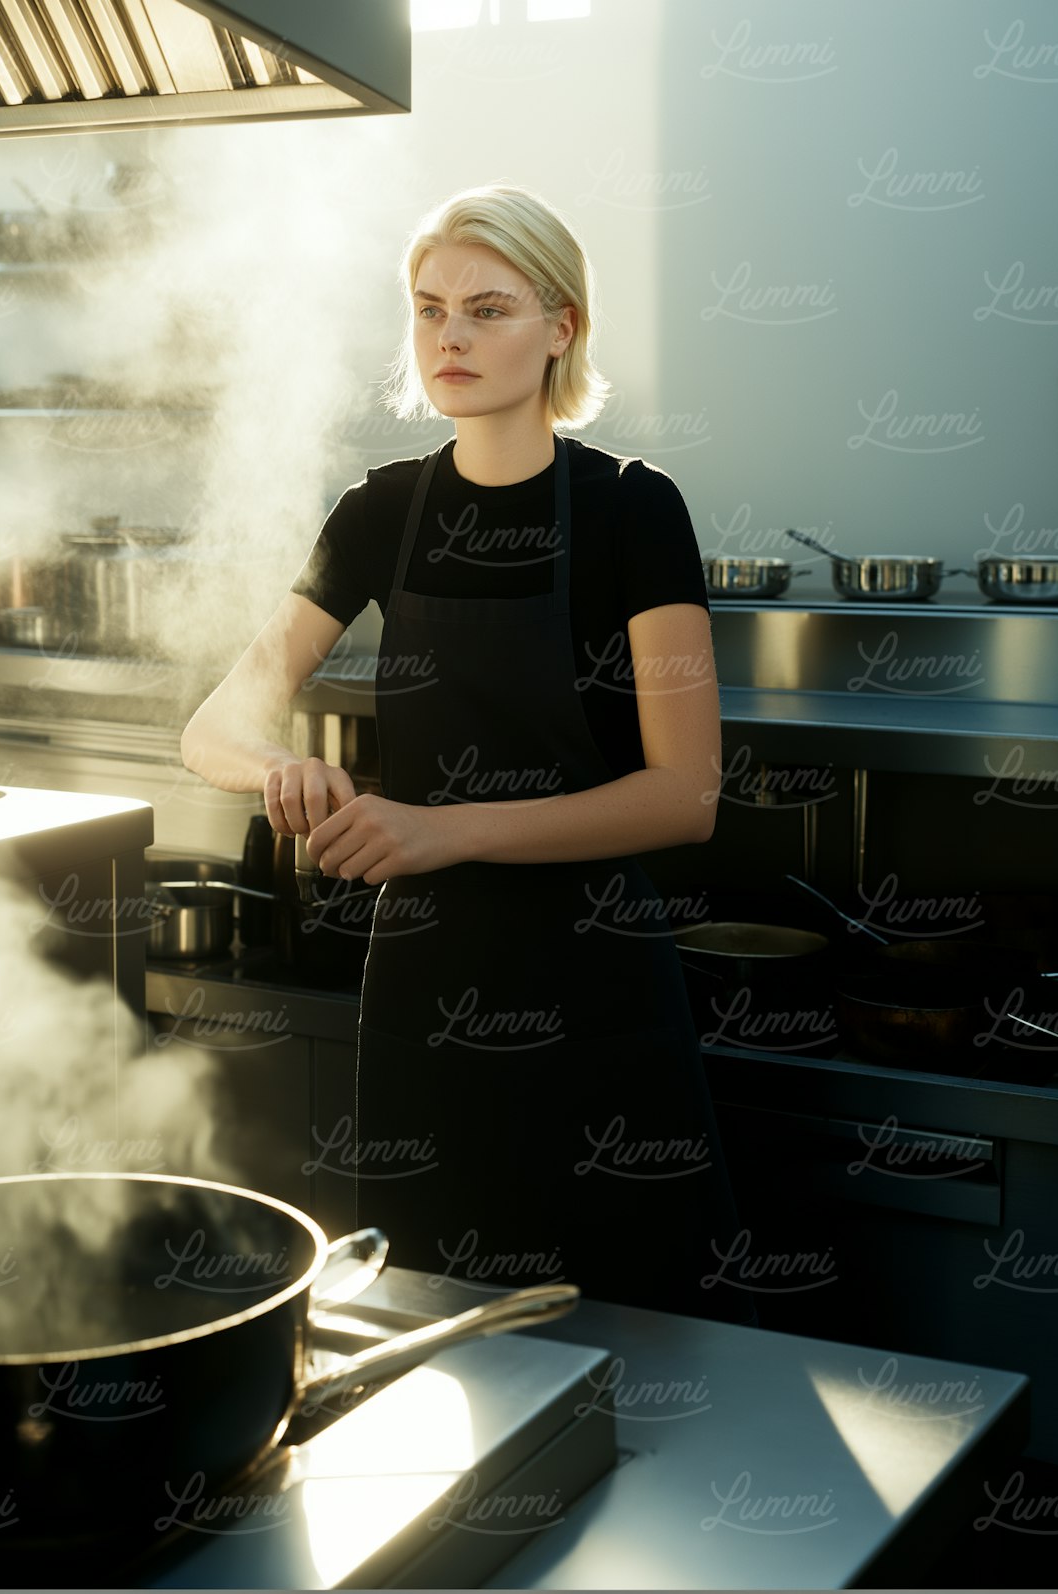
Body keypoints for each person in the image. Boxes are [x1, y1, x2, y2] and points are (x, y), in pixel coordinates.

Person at [183, 185, 749, 1323]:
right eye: (430, 308)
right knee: (440, 1324)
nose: (450, 336)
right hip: (429, 991)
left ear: (562, 326)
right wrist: (275, 767)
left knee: (635, 1327)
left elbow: (684, 795)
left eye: (488, 309)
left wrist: (442, 826)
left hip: (597, 985)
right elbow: (214, 727)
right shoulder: (380, 513)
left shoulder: (637, 511)